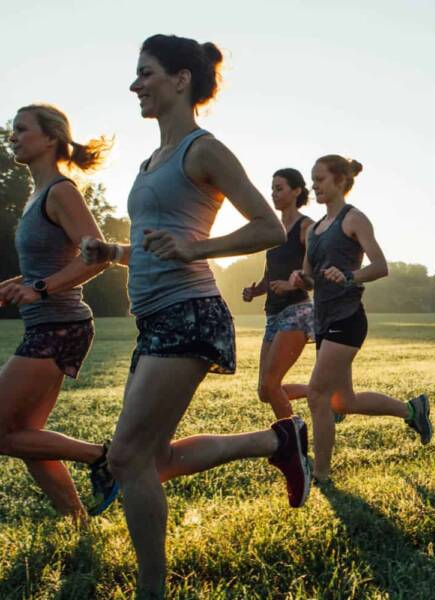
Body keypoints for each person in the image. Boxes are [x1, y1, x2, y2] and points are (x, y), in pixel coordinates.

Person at [81, 35, 310, 598]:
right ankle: (276, 443)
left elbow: (269, 227)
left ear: (181, 80)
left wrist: (194, 251)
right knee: (151, 458)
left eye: (145, 73)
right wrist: (113, 253)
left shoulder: (203, 149)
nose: (135, 85)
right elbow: (160, 242)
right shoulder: (150, 160)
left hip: (190, 310)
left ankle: (151, 590)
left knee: (128, 457)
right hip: (155, 316)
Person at [0, 103, 118, 522]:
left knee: (3, 433)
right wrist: (17, 284)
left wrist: (39, 288)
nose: (13, 136)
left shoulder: (61, 192)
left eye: (21, 129)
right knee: (25, 436)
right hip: (49, 322)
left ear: (50, 138)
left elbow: (98, 256)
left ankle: (103, 457)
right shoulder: (37, 196)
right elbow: (42, 267)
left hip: (61, 325)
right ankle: (78, 522)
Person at [289, 154, 432, 484]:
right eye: (313, 180)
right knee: (343, 400)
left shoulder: (354, 220)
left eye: (320, 179)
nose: (314, 186)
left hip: (348, 317)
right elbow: (312, 278)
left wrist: (350, 277)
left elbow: (380, 266)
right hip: (323, 319)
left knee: (317, 395)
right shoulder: (313, 230)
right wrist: (301, 278)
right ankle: (413, 411)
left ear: (340, 181)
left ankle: (321, 475)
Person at [242, 168, 314, 419]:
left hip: (296, 311)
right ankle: (319, 391)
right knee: (264, 391)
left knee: (272, 385)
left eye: (279, 188)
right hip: (272, 314)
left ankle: (291, 442)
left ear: (296, 191)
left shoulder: (306, 227)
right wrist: (255, 290)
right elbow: (269, 276)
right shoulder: (274, 229)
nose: (273, 194)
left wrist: (293, 284)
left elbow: (316, 272)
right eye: (272, 188)